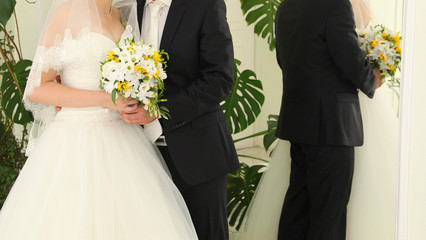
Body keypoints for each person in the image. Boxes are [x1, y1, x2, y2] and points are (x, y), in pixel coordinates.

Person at [0, 0, 198, 239]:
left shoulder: (122, 14)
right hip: (74, 140)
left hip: (124, 138)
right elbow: (37, 88)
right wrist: (105, 99)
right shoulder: (67, 11)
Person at [236, 0, 385, 239]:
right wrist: (372, 80)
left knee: (297, 210)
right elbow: (349, 59)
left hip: (298, 122)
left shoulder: (286, 6)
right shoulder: (335, 5)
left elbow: (283, 61)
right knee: (329, 217)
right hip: (332, 127)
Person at [119, 0, 240, 239]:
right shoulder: (126, 9)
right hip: (138, 157)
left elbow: (220, 78)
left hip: (197, 154)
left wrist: (159, 110)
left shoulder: (205, 5)